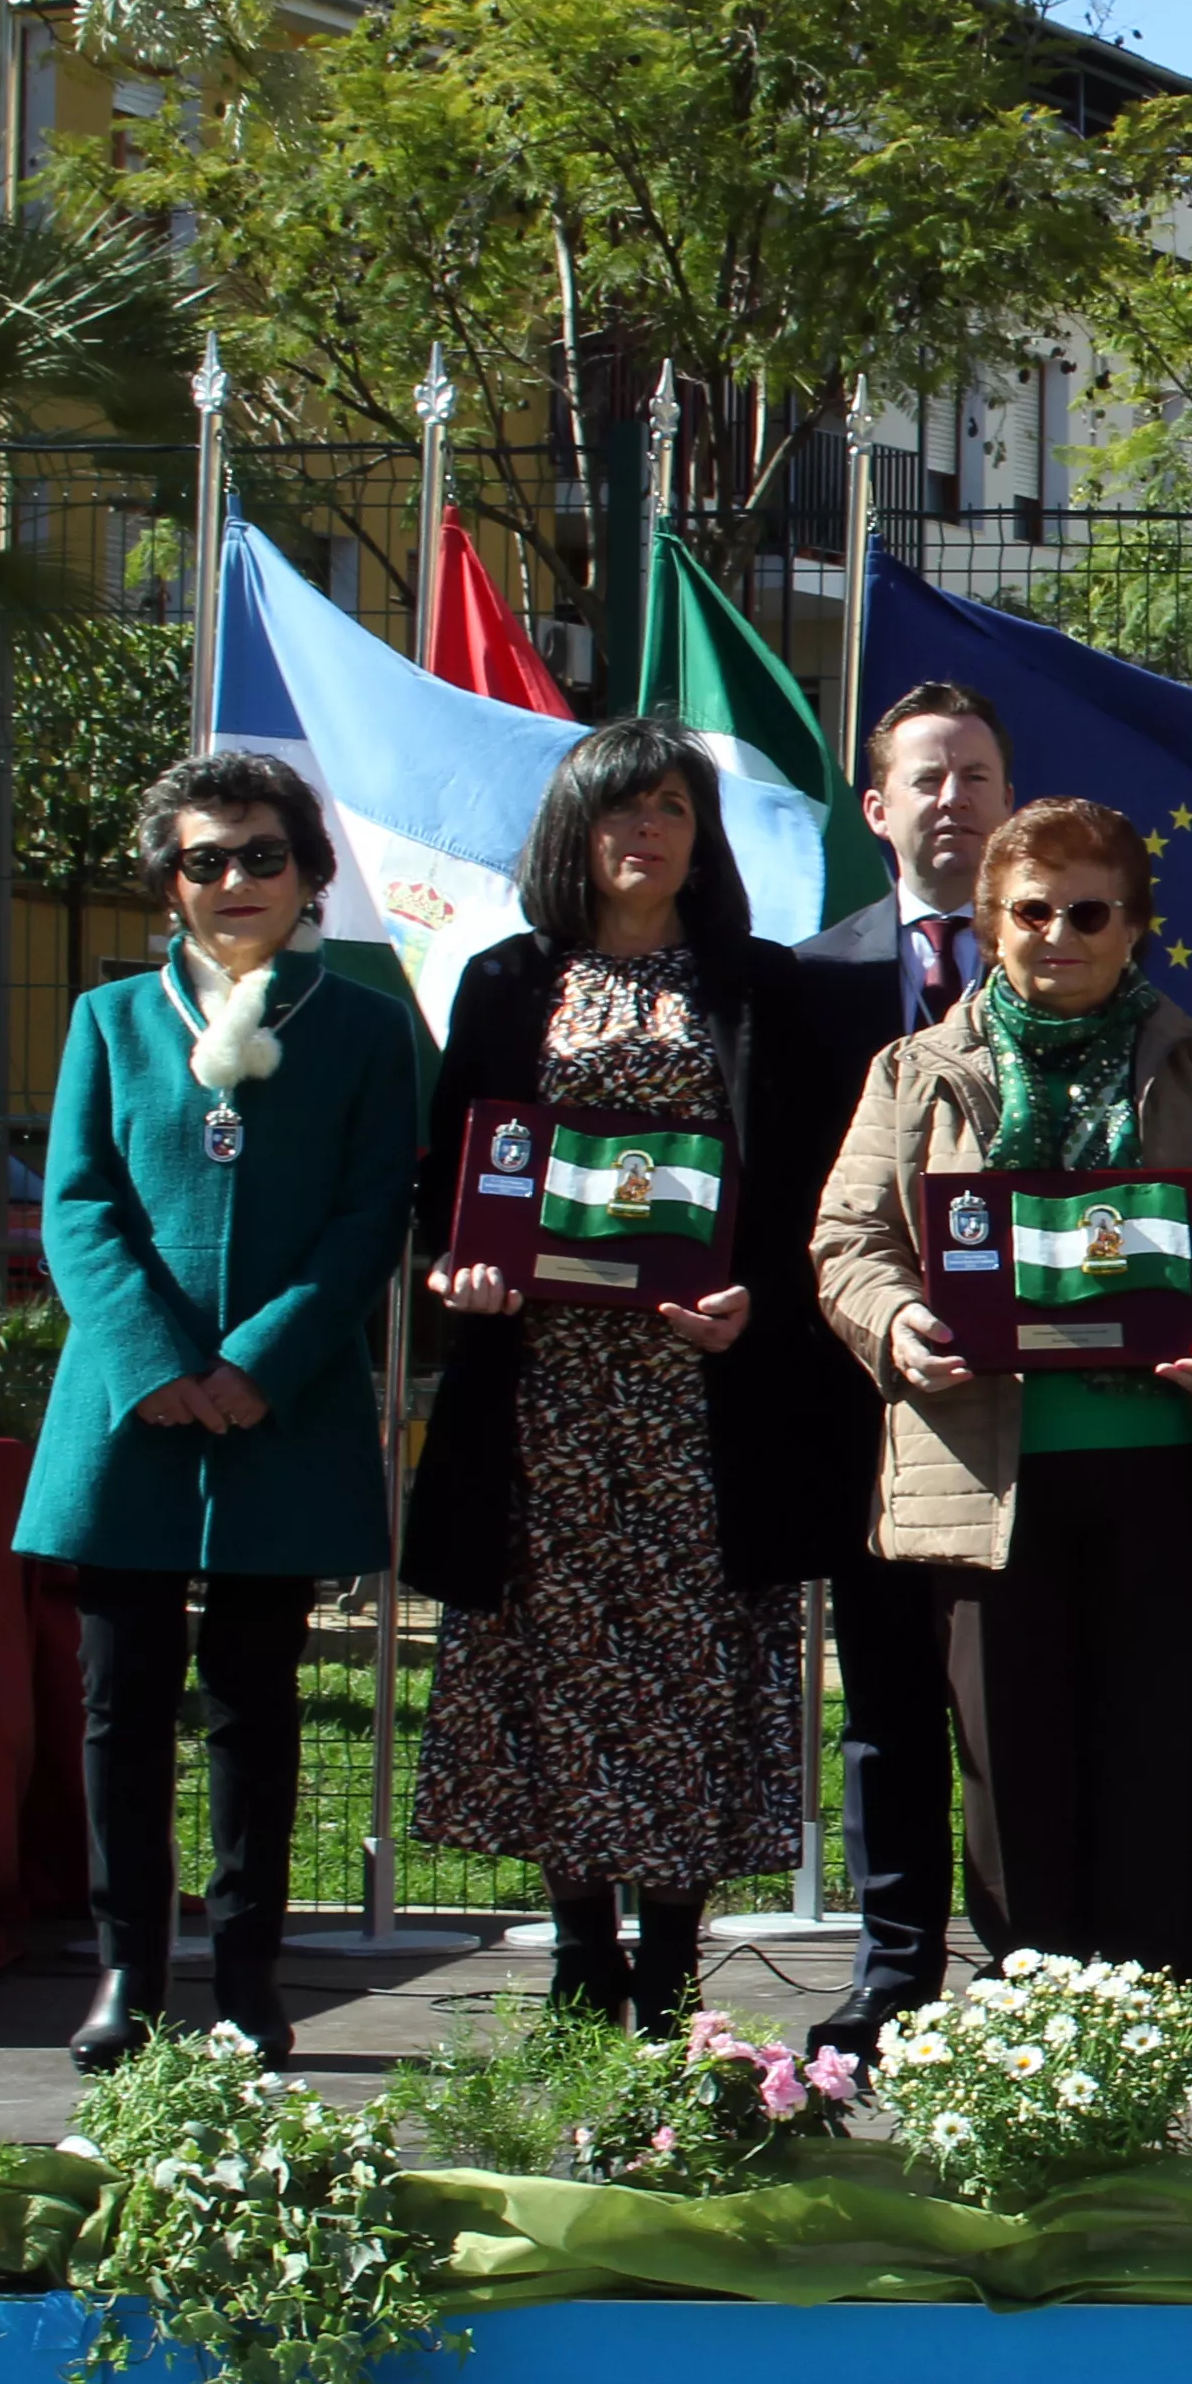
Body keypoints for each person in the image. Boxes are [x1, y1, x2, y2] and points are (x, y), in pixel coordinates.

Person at [814, 796, 1192, 1985]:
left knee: (1168, 1751)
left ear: (1136, 927)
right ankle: (1032, 2019)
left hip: (1169, 1463)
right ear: (990, 924)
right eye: (1030, 910)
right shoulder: (914, 1071)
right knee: (1011, 1759)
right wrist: (900, 1324)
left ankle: (1158, 2008)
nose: (1059, 934)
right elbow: (850, 1238)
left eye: (1088, 911)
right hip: (991, 1476)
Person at [406, 716, 859, 2032]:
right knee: (554, 1663)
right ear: (573, 832)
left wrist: (757, 1299)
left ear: (699, 834)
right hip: (542, 1404)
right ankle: (577, 1948)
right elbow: (450, 1186)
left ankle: (671, 1959)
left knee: (690, 1670)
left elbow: (813, 1189)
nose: (644, 831)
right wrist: (458, 1271)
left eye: (669, 807)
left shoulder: (761, 987)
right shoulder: (502, 984)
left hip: (700, 1403)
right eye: (619, 809)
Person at [17, 753, 416, 2071]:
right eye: (205, 859)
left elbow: (372, 1214)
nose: (233, 880)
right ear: (170, 883)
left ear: (306, 875)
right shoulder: (108, 1020)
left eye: (260, 855)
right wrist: (155, 1362)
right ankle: (128, 1973)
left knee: (257, 1701)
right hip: (129, 1417)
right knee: (120, 1702)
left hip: (277, 1414)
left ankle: (246, 1978)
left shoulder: (360, 1027)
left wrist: (260, 1361)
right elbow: (78, 1205)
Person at [787, 678, 1011, 2050]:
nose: (953, 800)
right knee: (881, 1701)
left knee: (1012, 1700)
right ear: (878, 809)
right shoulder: (809, 980)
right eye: (926, 779)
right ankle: (893, 1962)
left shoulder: (1073, 960)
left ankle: (1028, 1959)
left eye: (976, 776)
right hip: (865, 1400)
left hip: (1039, 1409)